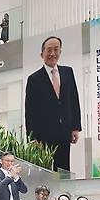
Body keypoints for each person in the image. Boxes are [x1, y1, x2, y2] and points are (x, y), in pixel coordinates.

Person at [25, 36, 81, 171]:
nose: (52, 54)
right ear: (42, 54)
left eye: (56, 50)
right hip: (43, 134)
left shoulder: (68, 72)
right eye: (49, 50)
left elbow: (73, 100)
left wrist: (75, 127)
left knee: (63, 167)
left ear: (60, 52)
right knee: (44, 168)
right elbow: (30, 110)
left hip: (64, 130)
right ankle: (44, 192)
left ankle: (63, 192)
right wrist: (32, 137)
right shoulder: (34, 79)